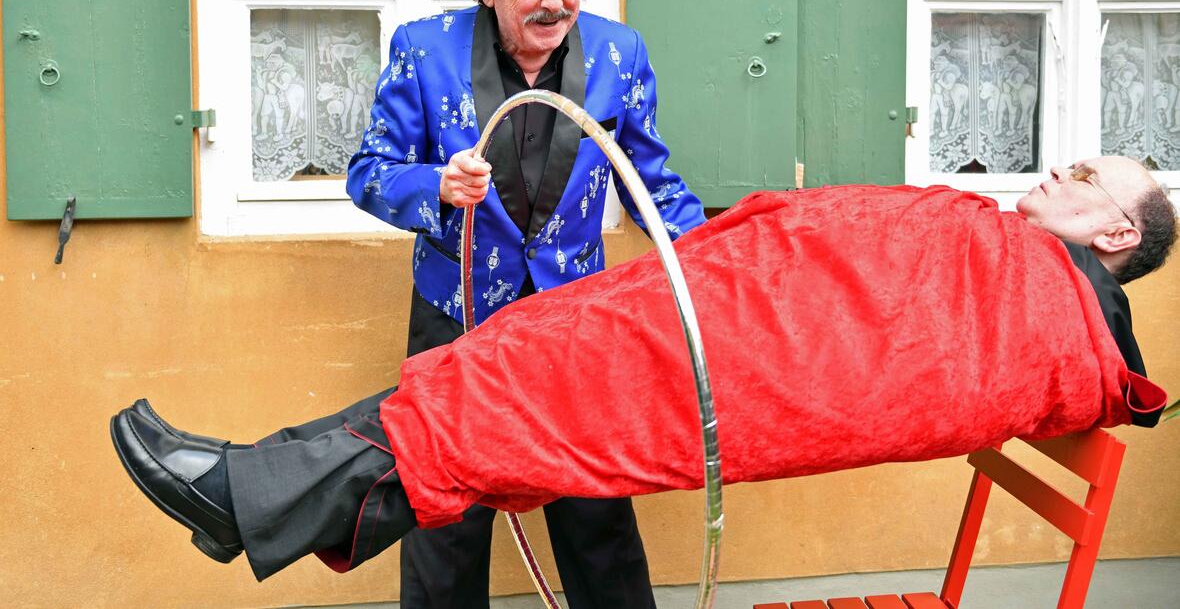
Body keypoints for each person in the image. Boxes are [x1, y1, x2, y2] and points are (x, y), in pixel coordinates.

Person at [111, 156, 1175, 592]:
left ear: (1118, 227)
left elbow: (877, 355)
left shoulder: (1042, 316)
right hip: (701, 312)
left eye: (1086, 178)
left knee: (509, 397)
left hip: (731, 362)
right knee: (489, 373)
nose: (1058, 170)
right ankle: (253, 495)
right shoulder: (1019, 266)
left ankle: (242, 498)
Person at [343, 0, 705, 608]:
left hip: (575, 322)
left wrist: (711, 262)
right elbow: (368, 174)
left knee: (596, 513)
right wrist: (436, 184)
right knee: (445, 514)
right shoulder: (424, 50)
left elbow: (650, 185)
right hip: (458, 319)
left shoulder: (618, 52)